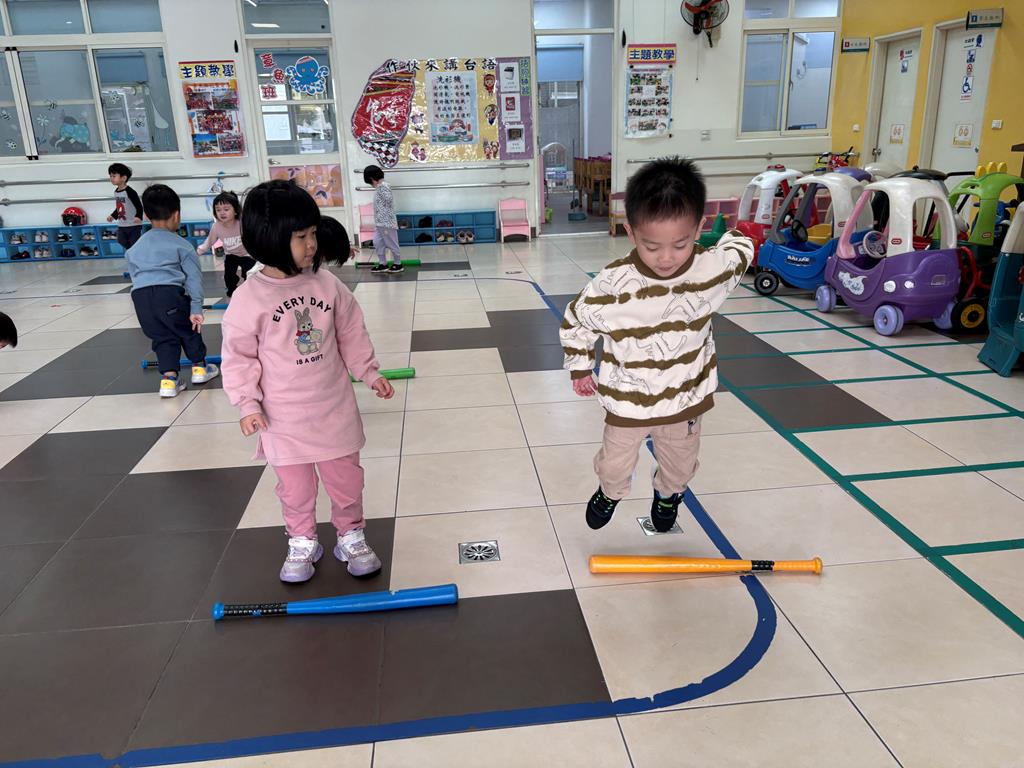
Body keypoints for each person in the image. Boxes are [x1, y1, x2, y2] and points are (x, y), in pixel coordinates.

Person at [560, 157, 753, 533]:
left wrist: (735, 235)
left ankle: (668, 494)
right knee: (614, 464)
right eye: (651, 246)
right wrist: (580, 366)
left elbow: (740, 251)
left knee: (680, 464)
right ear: (631, 233)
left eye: (680, 244)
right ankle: (610, 492)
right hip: (628, 399)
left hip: (685, 398)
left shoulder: (712, 270)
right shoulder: (613, 285)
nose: (666, 258)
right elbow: (576, 320)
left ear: (698, 229)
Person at [221, 180, 394, 583]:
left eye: (313, 233)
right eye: (301, 237)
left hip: (333, 409)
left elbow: (351, 333)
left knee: (346, 481)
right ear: (268, 238)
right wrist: (247, 403)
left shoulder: (327, 284)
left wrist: (369, 371)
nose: (312, 244)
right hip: (282, 418)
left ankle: (350, 535)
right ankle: (302, 539)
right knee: (295, 489)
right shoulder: (248, 298)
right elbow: (239, 357)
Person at [126, 184, 219, 398]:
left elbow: (135, 278)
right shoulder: (182, 245)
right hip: (169, 295)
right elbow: (193, 279)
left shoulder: (134, 248)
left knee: (162, 337)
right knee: (189, 330)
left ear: (146, 215)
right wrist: (196, 308)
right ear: (176, 215)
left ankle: (169, 381)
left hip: (141, 299)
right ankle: (199, 368)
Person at [196, 191, 256, 297]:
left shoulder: (242, 223)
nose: (222, 213)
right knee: (229, 276)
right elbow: (209, 241)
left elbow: (254, 237)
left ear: (235, 211)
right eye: (218, 210)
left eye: (226, 209)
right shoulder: (216, 226)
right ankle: (232, 290)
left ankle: (250, 291)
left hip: (247, 255)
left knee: (249, 274)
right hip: (231, 255)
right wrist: (198, 251)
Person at [363, 164, 402, 274]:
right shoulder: (380, 187)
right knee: (377, 242)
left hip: (387, 223)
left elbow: (388, 199)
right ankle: (382, 263)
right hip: (380, 223)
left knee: (392, 243)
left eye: (370, 182)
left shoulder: (383, 186)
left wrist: (380, 187)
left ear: (371, 179)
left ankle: (398, 263)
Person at [106, 162, 144, 251]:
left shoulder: (130, 192)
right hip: (122, 224)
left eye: (114, 176)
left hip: (133, 224)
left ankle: (134, 253)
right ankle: (132, 251)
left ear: (123, 178)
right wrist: (113, 216)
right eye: (110, 176)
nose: (111, 178)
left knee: (134, 242)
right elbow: (119, 207)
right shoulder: (116, 192)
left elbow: (139, 205)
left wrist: (138, 216)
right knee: (120, 240)